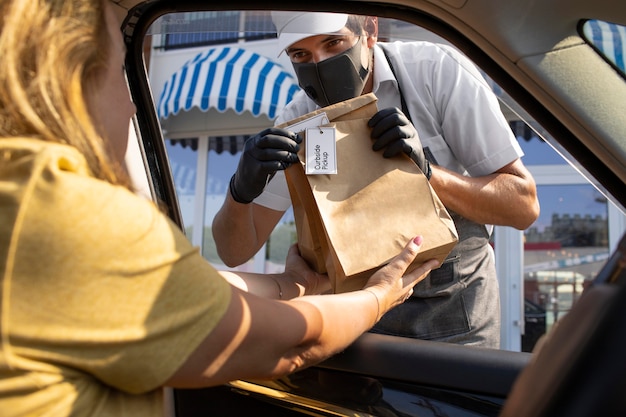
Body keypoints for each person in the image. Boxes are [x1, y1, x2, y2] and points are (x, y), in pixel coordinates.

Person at [0, 1, 440, 415]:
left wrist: (292, 284)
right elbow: (287, 344)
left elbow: (186, 287)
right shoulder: (74, 218)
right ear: (74, 81)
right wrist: (380, 295)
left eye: (333, 44)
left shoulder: (24, 194)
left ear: (369, 34)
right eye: (119, 71)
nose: (133, 103)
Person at [212, 11, 540, 348]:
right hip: (356, 323)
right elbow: (235, 251)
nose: (321, 63)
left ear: (369, 30)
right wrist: (241, 190)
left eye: (333, 43)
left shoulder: (434, 72)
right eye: (301, 55)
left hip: (456, 319)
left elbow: (523, 205)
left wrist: (428, 172)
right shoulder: (298, 122)